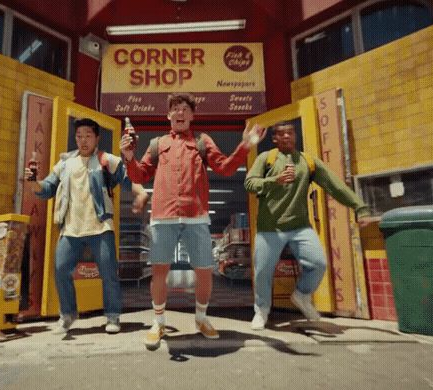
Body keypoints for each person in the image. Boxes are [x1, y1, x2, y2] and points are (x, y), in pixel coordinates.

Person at [120, 92, 265, 349]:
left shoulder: (202, 141)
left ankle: (201, 318)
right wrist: (129, 157)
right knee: (159, 272)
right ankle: (159, 321)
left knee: (205, 271)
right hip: (163, 217)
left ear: (192, 115)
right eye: (175, 108)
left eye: (185, 109)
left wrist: (246, 145)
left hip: (196, 216)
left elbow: (225, 168)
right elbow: (140, 175)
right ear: (168, 115)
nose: (180, 112)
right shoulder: (157, 144)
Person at [25, 118, 149, 335]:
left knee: (109, 272)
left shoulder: (104, 159)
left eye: (88, 136)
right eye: (79, 136)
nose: (83, 140)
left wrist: (140, 192)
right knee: (61, 269)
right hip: (71, 228)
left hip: (100, 226)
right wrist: (34, 182)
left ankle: (112, 315)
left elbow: (127, 176)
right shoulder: (64, 163)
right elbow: (47, 188)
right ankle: (68, 314)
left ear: (97, 139)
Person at [244, 121, 372, 330]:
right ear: (275, 139)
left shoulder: (308, 161)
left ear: (295, 136)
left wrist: (360, 207)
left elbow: (335, 185)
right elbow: (249, 183)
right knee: (262, 272)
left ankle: (302, 295)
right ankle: (262, 310)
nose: (287, 137)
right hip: (270, 227)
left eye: (290, 133)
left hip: (300, 226)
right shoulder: (266, 158)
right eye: (281, 134)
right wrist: (274, 180)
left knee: (318, 263)